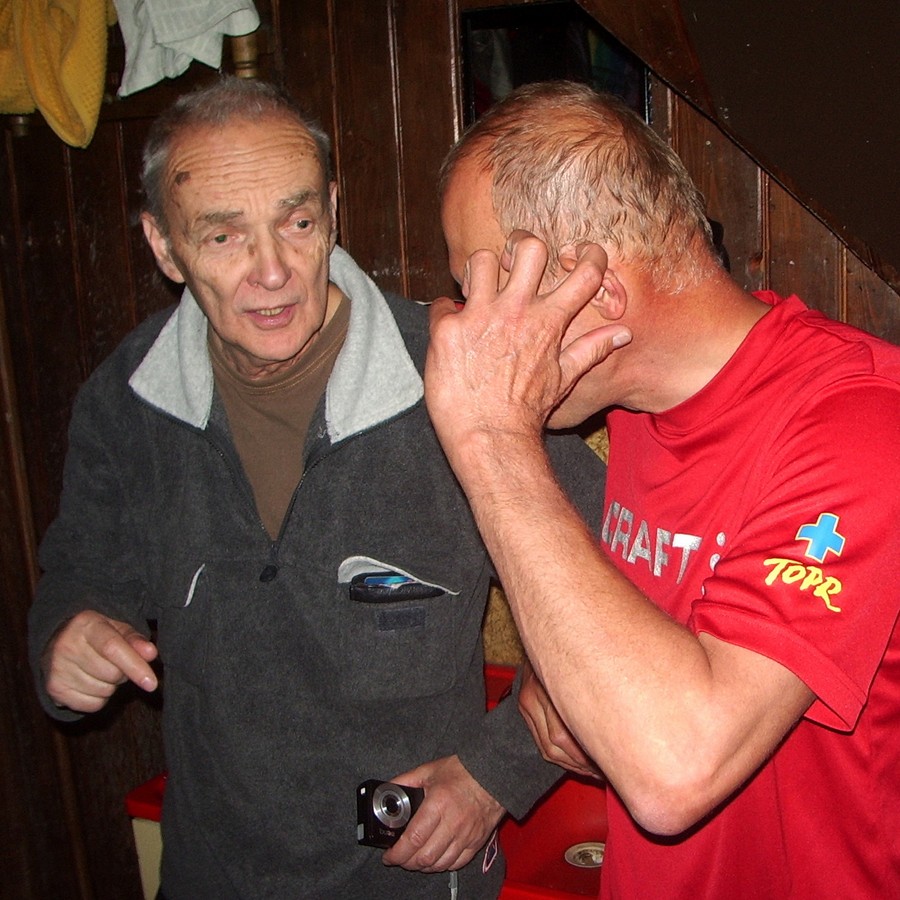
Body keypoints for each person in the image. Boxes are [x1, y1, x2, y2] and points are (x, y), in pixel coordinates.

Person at [27, 77, 605, 900]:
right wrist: (69, 637)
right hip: (209, 873)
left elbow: (624, 575)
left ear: (333, 210)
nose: (272, 271)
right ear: (163, 246)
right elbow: (81, 575)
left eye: (297, 223)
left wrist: (497, 772)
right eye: (223, 236)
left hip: (413, 880)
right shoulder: (126, 400)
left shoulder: (462, 375)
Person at [426, 80, 900, 898]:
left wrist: (490, 437)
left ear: (595, 295)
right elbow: (629, 638)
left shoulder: (863, 423)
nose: (466, 326)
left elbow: (676, 768)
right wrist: (562, 685)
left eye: (485, 291)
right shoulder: (634, 407)